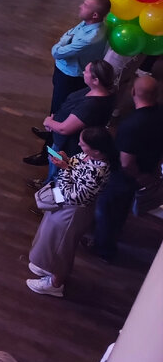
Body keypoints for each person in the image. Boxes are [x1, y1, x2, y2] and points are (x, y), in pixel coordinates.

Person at [27, 126, 115, 297]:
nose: (80, 146)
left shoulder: (99, 171)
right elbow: (77, 165)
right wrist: (67, 161)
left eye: (83, 145)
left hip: (72, 212)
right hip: (64, 204)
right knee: (50, 237)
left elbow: (73, 196)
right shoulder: (91, 156)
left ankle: (55, 284)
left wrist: (64, 168)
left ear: (96, 150)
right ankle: (47, 266)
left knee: (61, 247)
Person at [91, 76, 163, 261]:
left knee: (106, 209)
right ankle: (114, 233)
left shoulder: (132, 125)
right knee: (121, 208)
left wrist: (139, 177)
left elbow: (126, 162)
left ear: (133, 93)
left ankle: (103, 249)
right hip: (145, 171)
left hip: (124, 177)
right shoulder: (159, 114)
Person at [29, 59, 116, 178]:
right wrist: (56, 119)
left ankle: (50, 186)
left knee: (57, 169)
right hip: (61, 138)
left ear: (96, 80)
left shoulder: (92, 105)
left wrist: (49, 122)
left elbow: (65, 129)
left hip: (66, 145)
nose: (83, 73)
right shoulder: (97, 91)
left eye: (86, 72)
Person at [43, 0, 111, 130]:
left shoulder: (90, 38)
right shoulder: (89, 23)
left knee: (60, 105)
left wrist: (59, 44)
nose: (80, 6)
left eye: (85, 5)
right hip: (68, 70)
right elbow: (69, 34)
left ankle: (52, 133)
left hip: (69, 76)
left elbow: (57, 52)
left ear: (95, 15)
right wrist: (65, 41)